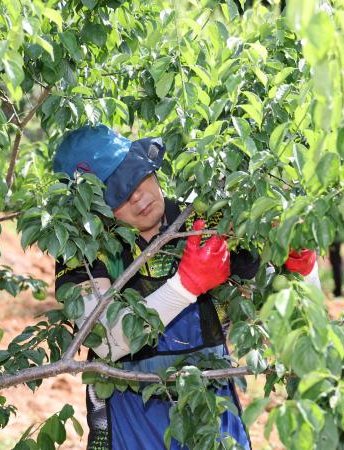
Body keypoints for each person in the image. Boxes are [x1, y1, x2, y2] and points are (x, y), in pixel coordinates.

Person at [53, 124, 319, 449]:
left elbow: (269, 305)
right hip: (131, 407)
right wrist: (185, 286)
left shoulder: (202, 222)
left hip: (211, 400)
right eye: (116, 193)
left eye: (135, 177)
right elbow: (106, 340)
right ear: (92, 209)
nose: (137, 197)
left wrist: (297, 267)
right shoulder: (83, 252)